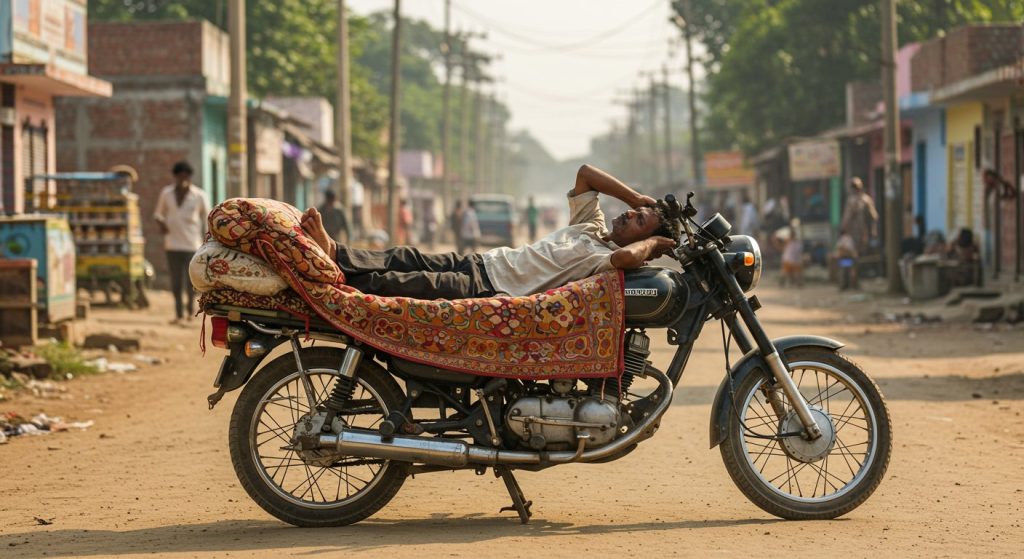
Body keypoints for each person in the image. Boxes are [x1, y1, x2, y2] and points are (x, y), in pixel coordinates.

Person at [300, 164, 678, 299]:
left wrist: (656, 241)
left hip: (492, 288)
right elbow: (586, 173)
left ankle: (337, 281)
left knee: (406, 281)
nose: (629, 216)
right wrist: (636, 198)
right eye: (633, 213)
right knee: (409, 256)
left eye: (639, 220)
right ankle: (336, 252)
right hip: (485, 262)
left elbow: (628, 257)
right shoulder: (591, 227)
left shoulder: (604, 259)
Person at [153, 161, 208, 323]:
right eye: (180, 176)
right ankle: (178, 314)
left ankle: (190, 312)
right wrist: (162, 225)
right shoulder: (166, 194)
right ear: (176, 177)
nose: (183, 179)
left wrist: (207, 241)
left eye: (186, 176)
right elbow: (158, 214)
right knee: (176, 282)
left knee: (191, 282)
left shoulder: (199, 196)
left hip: (192, 245)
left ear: (190, 177)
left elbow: (207, 219)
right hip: (172, 244)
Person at [840, 177, 879, 255]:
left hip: (860, 231)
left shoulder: (859, 200)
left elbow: (874, 216)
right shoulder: (866, 199)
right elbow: (874, 217)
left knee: (859, 252)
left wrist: (843, 228)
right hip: (859, 232)